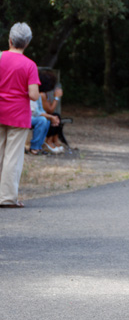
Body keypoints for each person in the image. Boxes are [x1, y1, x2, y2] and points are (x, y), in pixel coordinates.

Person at [0, 22, 40, 207]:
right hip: (18, 115)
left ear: (10, 39)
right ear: (27, 43)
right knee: (12, 157)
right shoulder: (30, 65)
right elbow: (33, 95)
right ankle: (7, 198)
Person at [38, 70, 64, 153]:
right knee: (54, 116)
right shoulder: (41, 94)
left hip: (41, 114)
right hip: (38, 115)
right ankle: (49, 141)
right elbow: (50, 110)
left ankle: (54, 139)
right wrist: (56, 98)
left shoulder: (44, 94)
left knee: (56, 116)